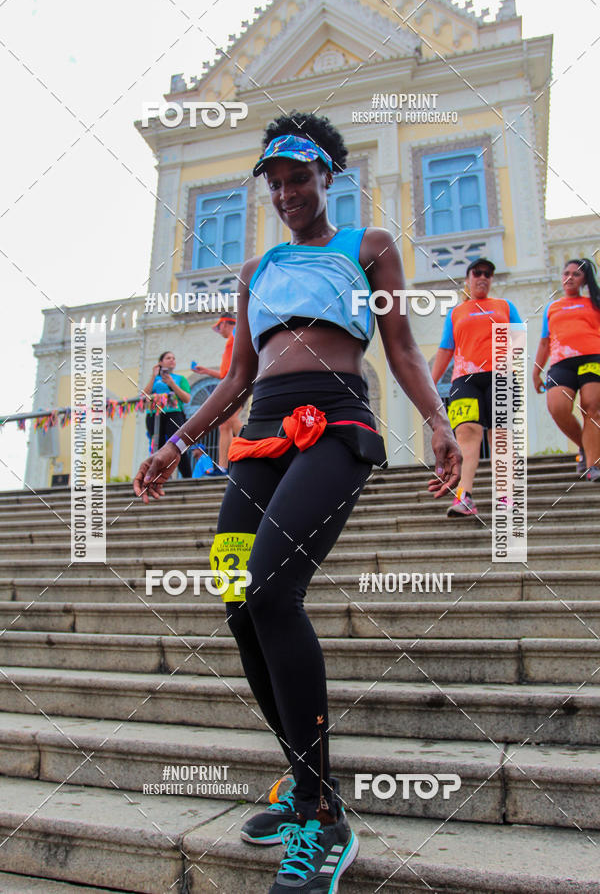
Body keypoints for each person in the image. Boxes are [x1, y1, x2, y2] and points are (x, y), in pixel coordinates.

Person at [134, 112, 461, 893]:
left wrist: (439, 422)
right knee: (236, 597)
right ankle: (306, 782)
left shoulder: (368, 247)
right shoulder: (256, 270)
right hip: (259, 435)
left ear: (326, 177)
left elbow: (404, 349)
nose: (285, 193)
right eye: (274, 183)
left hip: (335, 419)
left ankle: (320, 818)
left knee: (274, 592)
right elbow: (236, 377)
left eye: (298, 178)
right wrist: (178, 444)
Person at [430, 258, 523, 516]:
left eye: (488, 274)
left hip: (501, 377)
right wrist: (430, 383)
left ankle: (506, 498)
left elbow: (519, 338)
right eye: (477, 272)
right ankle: (464, 497)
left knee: (500, 436)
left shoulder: (505, 306)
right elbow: (446, 349)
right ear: (468, 278)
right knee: (466, 434)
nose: (483, 277)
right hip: (465, 379)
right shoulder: (456, 312)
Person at [533, 258, 600, 481]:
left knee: (591, 408)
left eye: (576, 274)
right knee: (557, 407)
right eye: (566, 273)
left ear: (584, 280)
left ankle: (592, 466)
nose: (570, 278)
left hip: (592, 358)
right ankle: (586, 446)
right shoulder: (552, 307)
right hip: (561, 363)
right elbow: (545, 342)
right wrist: (536, 371)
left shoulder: (595, 303)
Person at [192, 313, 242, 474]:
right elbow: (223, 374)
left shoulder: (237, 333)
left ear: (225, 323)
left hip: (235, 384)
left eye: (219, 327)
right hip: (231, 383)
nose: (219, 331)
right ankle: (223, 467)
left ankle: (255, 448)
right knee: (225, 425)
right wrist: (206, 371)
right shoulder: (232, 339)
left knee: (230, 421)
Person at [142, 351, 192, 478]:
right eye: (168, 358)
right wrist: (153, 376)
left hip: (174, 414)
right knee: (157, 446)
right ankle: (158, 477)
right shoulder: (155, 379)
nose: (172, 360)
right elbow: (144, 396)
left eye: (173, 358)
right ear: (160, 362)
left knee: (177, 444)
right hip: (155, 415)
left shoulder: (180, 379)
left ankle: (187, 476)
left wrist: (172, 384)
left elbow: (186, 398)